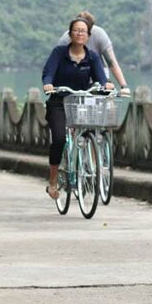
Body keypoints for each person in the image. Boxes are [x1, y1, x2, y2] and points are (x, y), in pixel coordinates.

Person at [41, 16, 110, 199]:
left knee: (89, 132)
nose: (80, 34)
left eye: (83, 31)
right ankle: (53, 181)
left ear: (88, 35)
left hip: (81, 101)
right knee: (59, 139)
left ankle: (85, 168)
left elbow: (101, 78)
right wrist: (48, 84)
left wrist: (106, 85)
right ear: (70, 34)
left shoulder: (92, 57)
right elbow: (48, 73)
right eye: (76, 30)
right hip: (59, 102)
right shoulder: (59, 53)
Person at [55, 11, 130, 95]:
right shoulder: (65, 39)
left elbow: (111, 62)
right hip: (75, 75)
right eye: (78, 29)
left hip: (100, 74)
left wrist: (124, 86)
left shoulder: (100, 35)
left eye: (85, 30)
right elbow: (57, 65)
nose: (81, 34)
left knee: (108, 96)